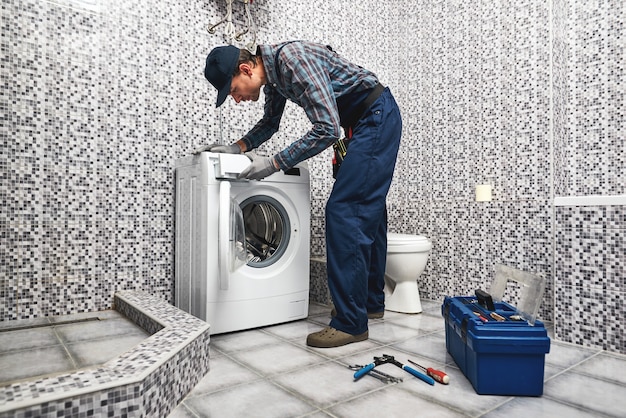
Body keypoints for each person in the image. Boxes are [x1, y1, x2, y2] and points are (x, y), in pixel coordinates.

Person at [196, 41, 402, 348]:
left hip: (374, 116)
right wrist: (238, 147)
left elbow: (327, 128)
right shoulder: (275, 78)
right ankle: (368, 304)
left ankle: (350, 322)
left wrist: (274, 163)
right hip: (361, 124)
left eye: (233, 91)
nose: (236, 99)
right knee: (368, 212)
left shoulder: (292, 61)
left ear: (245, 69)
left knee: (345, 211)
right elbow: (270, 123)